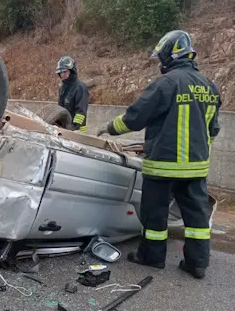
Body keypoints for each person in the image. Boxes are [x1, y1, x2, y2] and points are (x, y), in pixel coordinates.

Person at [97, 30, 221, 279]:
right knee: (196, 218)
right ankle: (197, 264)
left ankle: (152, 258)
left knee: (155, 215)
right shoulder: (210, 87)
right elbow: (213, 129)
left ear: (169, 55)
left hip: (164, 165)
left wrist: (110, 128)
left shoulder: (166, 84)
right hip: (196, 167)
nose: (160, 63)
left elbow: (136, 117)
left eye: (161, 58)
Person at [56, 56, 89, 132]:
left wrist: (73, 127)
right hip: (65, 128)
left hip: (78, 131)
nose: (62, 74)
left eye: (65, 72)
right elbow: (60, 108)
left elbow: (81, 111)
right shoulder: (63, 87)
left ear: (71, 71)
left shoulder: (80, 87)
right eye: (60, 72)